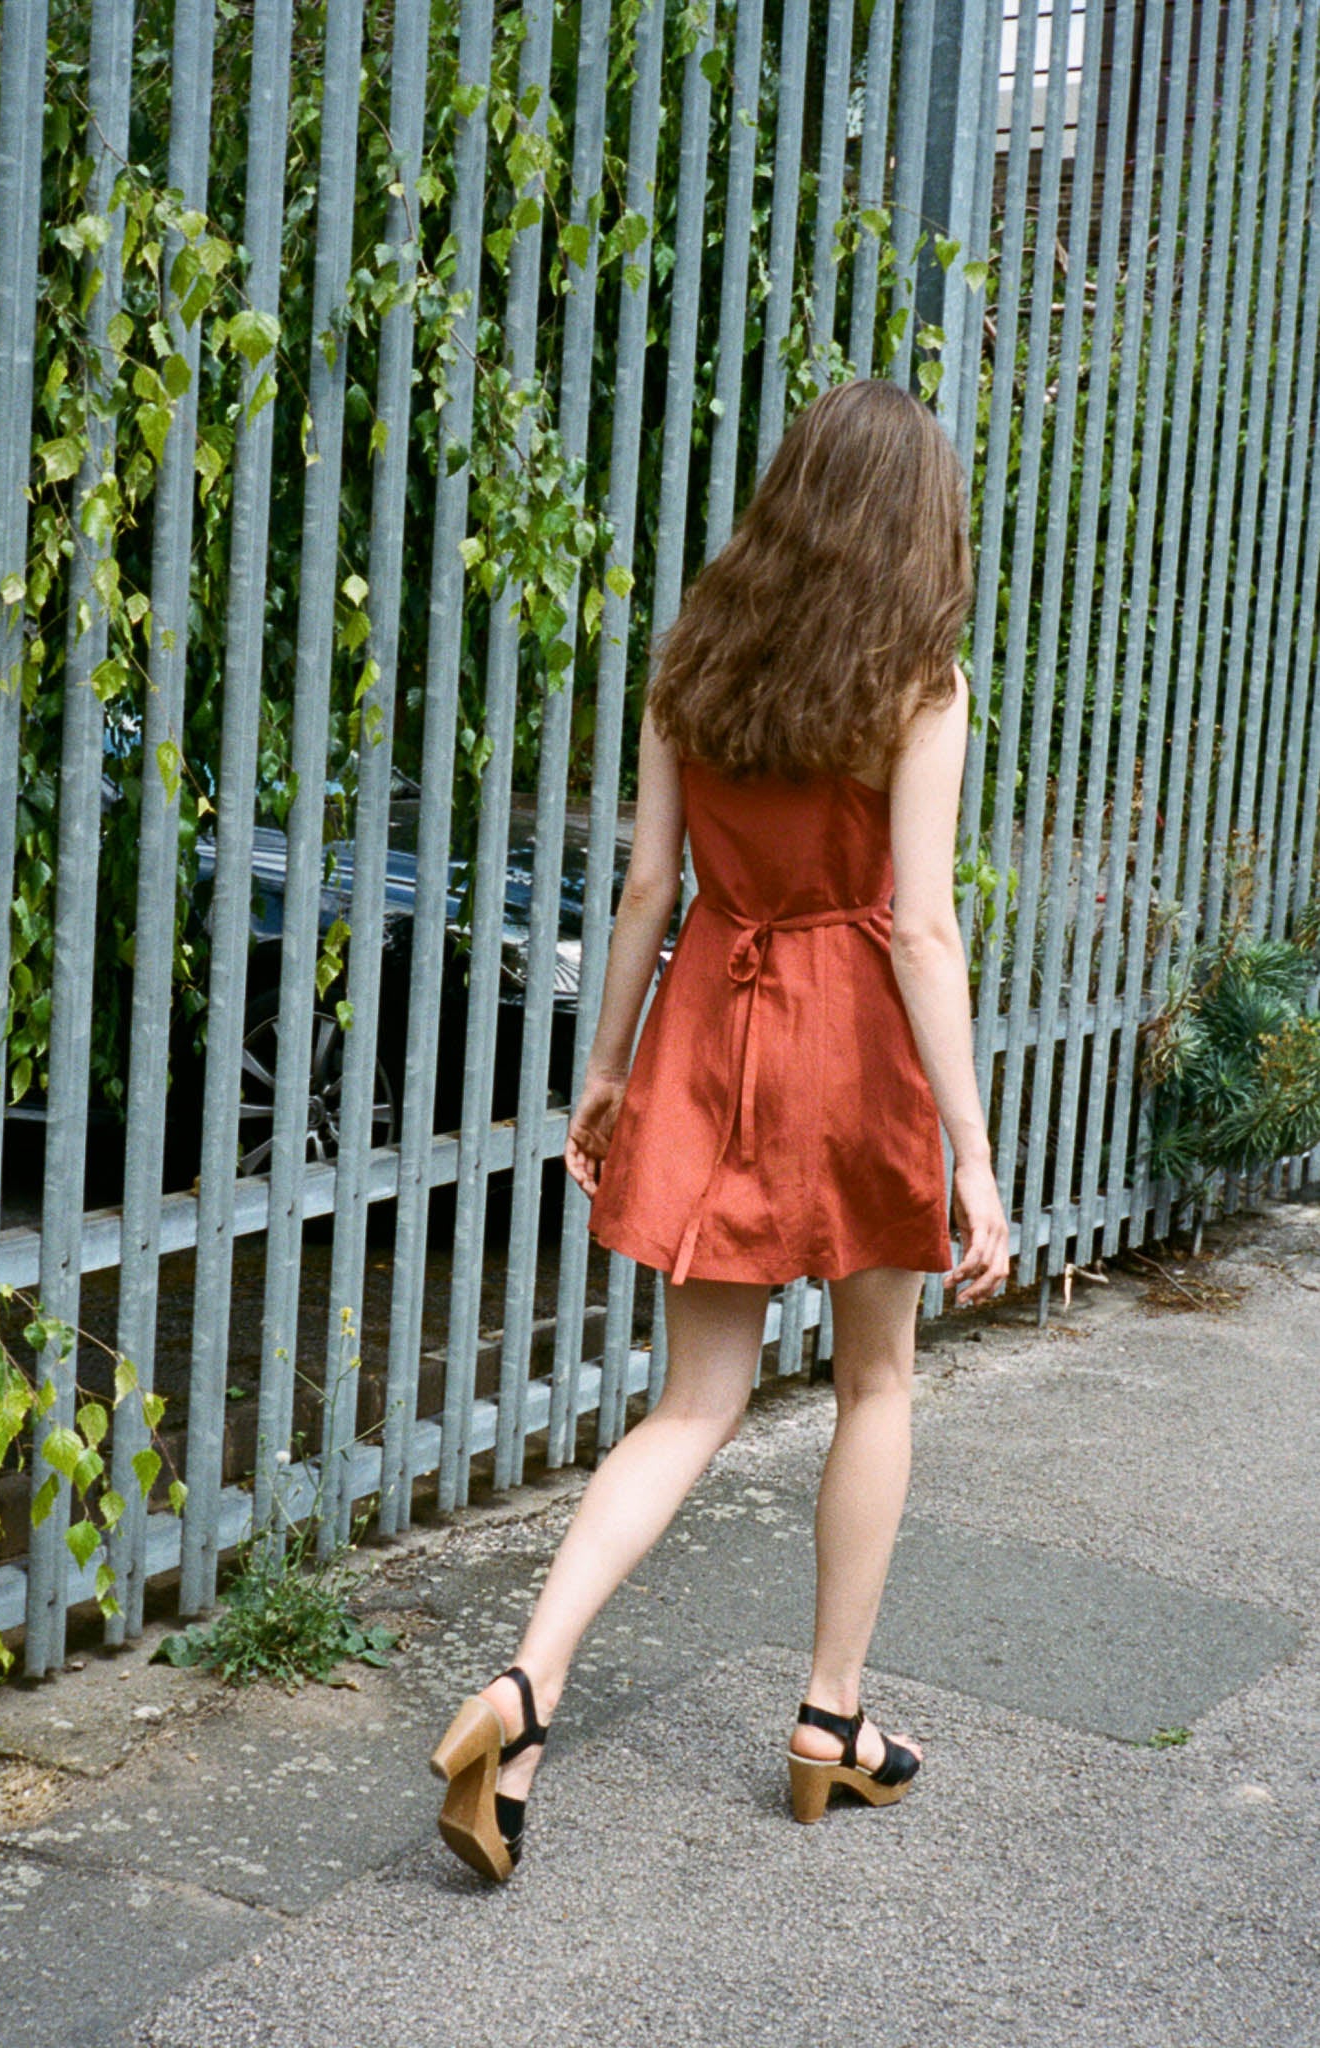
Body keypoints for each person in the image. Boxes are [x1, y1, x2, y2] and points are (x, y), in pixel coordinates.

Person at [430, 377, 1010, 1882]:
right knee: (875, 1380)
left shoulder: (694, 658)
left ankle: (525, 1691)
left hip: (711, 1025)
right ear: (916, 526)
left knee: (692, 1403)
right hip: (849, 1046)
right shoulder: (919, 685)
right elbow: (922, 929)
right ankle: (829, 1716)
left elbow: (645, 888)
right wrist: (973, 1154)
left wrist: (607, 1070)